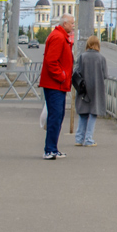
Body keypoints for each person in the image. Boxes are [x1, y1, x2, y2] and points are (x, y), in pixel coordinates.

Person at [39, 13, 77, 160]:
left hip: (57, 84)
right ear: (65, 23)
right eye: (72, 24)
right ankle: (49, 149)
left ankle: (53, 148)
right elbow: (51, 61)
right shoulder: (58, 37)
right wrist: (62, 76)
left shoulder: (61, 36)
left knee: (57, 116)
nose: (73, 26)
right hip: (55, 84)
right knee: (55, 116)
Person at [73, 35, 108, 147]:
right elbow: (105, 75)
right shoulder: (101, 58)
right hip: (97, 89)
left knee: (83, 113)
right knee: (93, 113)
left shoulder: (82, 57)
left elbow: (76, 72)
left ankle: (79, 139)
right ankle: (88, 139)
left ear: (88, 44)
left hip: (84, 89)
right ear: (98, 45)